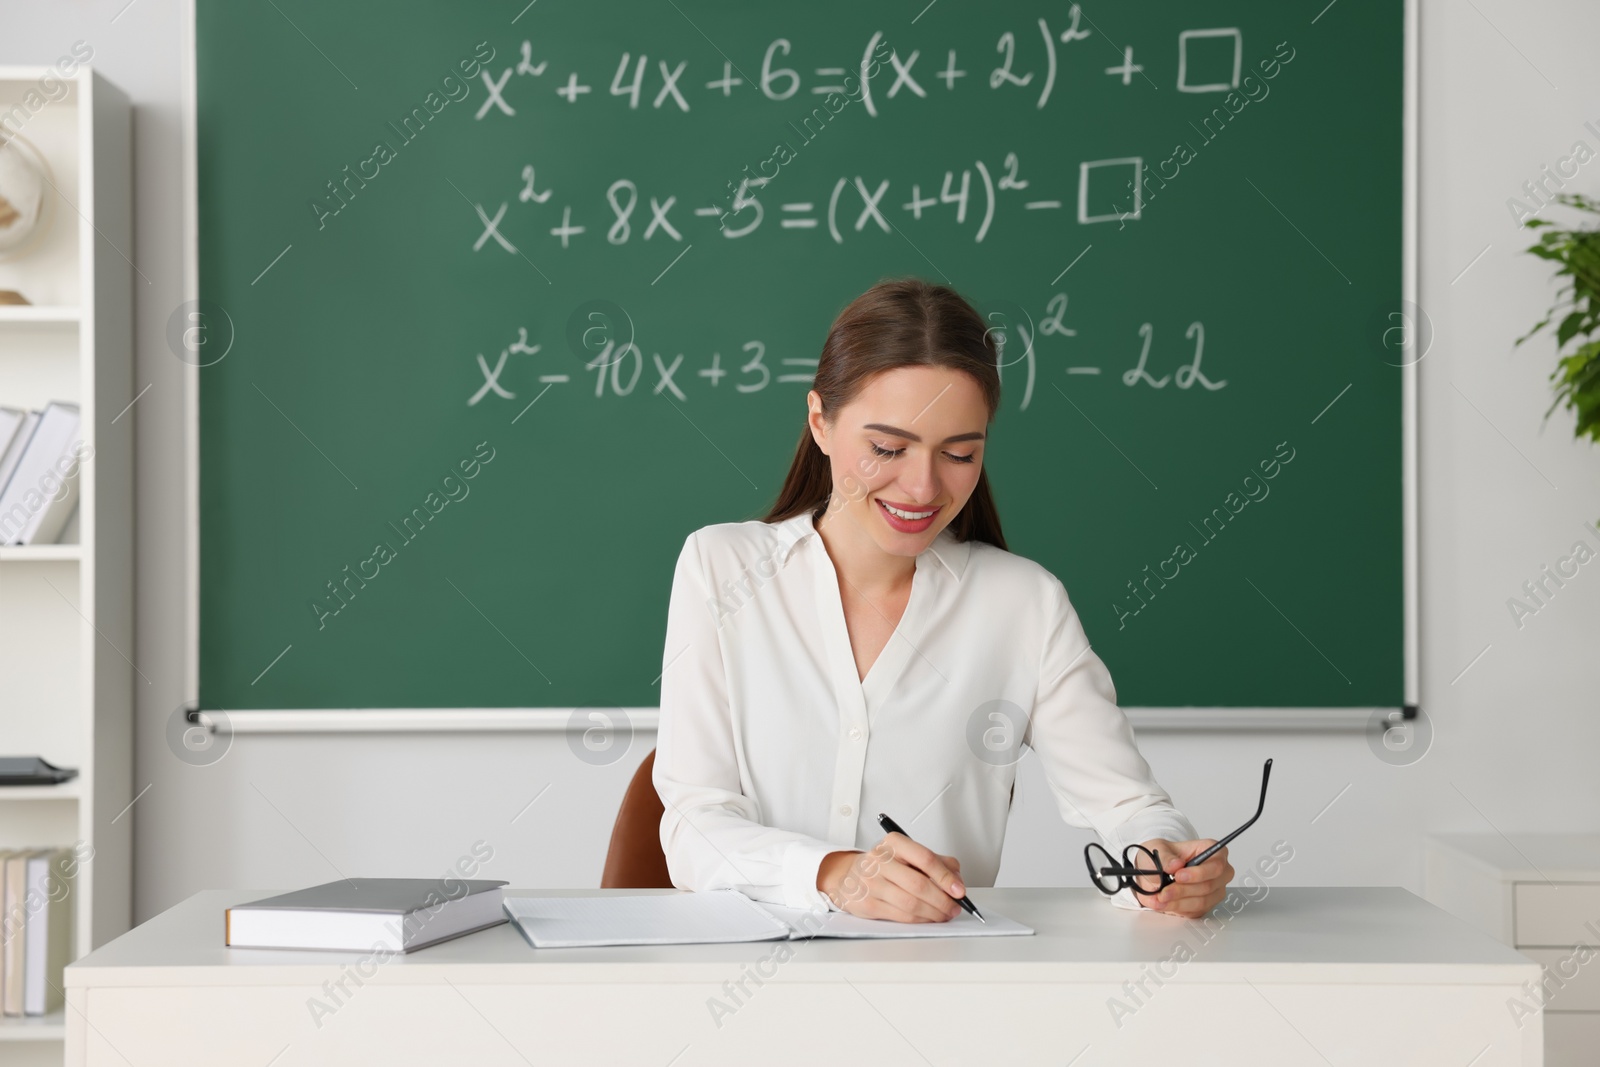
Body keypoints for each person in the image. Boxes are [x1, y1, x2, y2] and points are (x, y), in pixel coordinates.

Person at [654, 278, 1234, 921]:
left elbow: (1128, 807)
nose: (923, 486)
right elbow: (693, 826)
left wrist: (1163, 862)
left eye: (959, 454)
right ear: (820, 421)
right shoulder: (722, 568)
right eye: (887, 448)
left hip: (939, 986)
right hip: (742, 982)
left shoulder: (1024, 604)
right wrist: (833, 874)